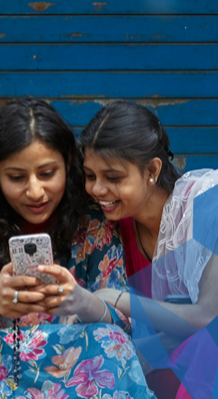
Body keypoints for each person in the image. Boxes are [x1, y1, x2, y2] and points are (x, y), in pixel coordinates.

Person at [0, 98, 156, 398]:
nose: (35, 192)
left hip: (77, 364)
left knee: (110, 340)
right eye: (16, 177)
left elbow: (125, 323)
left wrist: (85, 303)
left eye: (47, 173)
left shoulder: (94, 217)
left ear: (68, 162)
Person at [80, 100, 218, 398]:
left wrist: (114, 297)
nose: (98, 190)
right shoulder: (116, 227)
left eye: (113, 177)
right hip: (166, 367)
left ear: (152, 170)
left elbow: (207, 316)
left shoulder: (208, 206)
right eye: (90, 176)